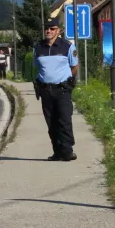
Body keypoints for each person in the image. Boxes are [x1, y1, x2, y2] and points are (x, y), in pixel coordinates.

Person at [32, 17, 78, 161]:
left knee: (64, 120)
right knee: (51, 122)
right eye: (47, 28)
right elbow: (38, 66)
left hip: (62, 89)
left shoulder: (67, 46)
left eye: (52, 28)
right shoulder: (38, 47)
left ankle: (67, 151)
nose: (48, 31)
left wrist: (66, 79)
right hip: (45, 90)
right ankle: (57, 152)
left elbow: (74, 65)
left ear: (59, 31)